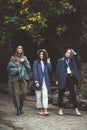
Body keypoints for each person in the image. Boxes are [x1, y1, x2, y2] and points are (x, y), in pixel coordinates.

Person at [55, 49, 81, 116]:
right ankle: (60, 109)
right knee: (61, 94)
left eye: (69, 53)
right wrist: (56, 80)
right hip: (62, 79)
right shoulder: (60, 60)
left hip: (70, 78)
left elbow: (79, 59)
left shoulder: (73, 60)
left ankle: (76, 110)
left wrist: (74, 52)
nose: (67, 54)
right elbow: (57, 70)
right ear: (65, 53)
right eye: (67, 52)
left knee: (73, 94)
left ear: (71, 54)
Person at [7, 45, 31, 115]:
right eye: (18, 48)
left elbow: (29, 68)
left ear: (22, 50)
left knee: (24, 92)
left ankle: (21, 106)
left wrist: (24, 62)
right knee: (16, 93)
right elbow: (9, 68)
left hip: (23, 77)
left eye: (21, 48)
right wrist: (17, 70)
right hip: (15, 78)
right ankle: (18, 108)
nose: (20, 49)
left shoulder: (25, 58)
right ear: (16, 50)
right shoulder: (12, 58)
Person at [33, 49, 52, 115]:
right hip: (39, 81)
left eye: (43, 54)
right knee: (38, 96)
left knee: (45, 96)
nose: (41, 55)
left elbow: (50, 70)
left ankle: (45, 109)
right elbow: (35, 73)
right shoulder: (36, 62)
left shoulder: (46, 63)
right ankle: (40, 109)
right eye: (40, 54)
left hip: (45, 82)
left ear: (44, 55)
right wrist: (36, 81)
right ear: (38, 55)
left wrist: (49, 62)